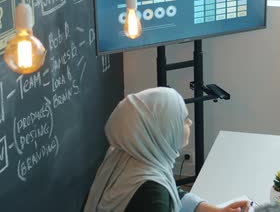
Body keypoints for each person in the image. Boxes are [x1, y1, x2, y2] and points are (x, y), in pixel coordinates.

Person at [84, 87, 250, 212]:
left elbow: (175, 193)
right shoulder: (152, 192)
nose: (190, 123)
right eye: (183, 119)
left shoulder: (127, 155)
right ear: (162, 130)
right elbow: (159, 195)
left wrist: (213, 210)